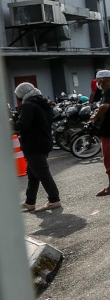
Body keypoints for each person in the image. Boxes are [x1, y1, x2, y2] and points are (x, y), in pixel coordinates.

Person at [13, 83, 61, 212]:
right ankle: (30, 202)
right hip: (44, 141)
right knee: (33, 174)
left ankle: (54, 199)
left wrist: (12, 123)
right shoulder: (43, 103)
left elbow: (23, 125)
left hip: (33, 144)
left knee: (42, 173)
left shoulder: (28, 105)